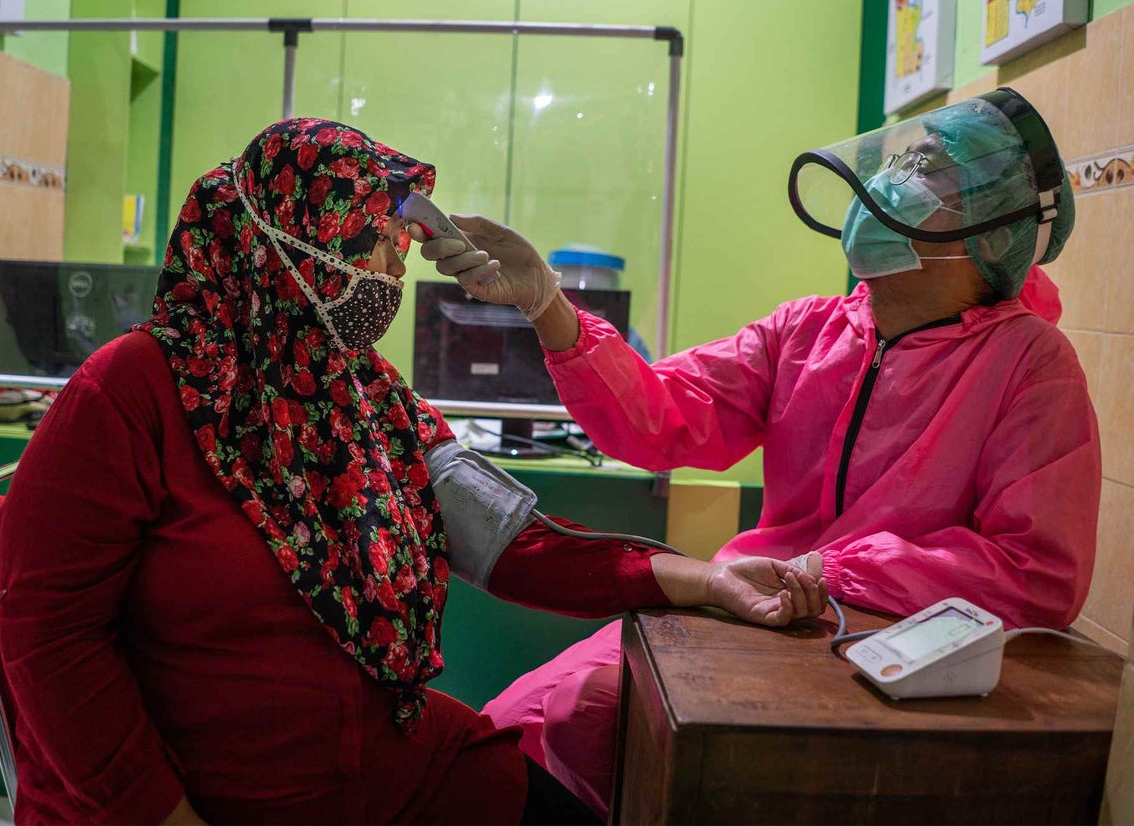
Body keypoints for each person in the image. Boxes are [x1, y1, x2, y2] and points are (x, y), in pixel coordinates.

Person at [0, 118, 826, 825]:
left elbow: (513, 546)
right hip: (208, 797)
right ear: (294, 247)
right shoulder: (132, 388)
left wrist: (704, 580)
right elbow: (49, 633)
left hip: (382, 765)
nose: (396, 268)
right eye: (376, 239)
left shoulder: (365, 395)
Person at [412, 88, 1101, 816]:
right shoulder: (808, 331)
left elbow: (1036, 573)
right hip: (753, 609)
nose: (889, 175)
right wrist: (547, 304)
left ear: (987, 230)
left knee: (592, 722)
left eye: (925, 163)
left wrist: (828, 567)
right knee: (519, 725)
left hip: (880, 657)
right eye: (902, 152)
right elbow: (657, 420)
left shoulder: (1029, 361)